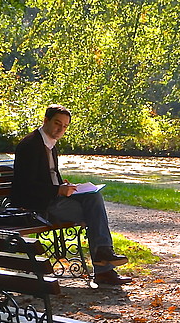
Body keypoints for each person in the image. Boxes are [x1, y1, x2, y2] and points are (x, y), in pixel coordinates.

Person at [10, 105, 132, 285]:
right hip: (37, 205)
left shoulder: (50, 144)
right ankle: (103, 266)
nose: (61, 129)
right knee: (94, 214)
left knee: (93, 197)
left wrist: (62, 185)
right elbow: (25, 186)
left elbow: (47, 176)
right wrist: (57, 190)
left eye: (65, 126)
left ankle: (103, 256)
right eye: (57, 124)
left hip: (52, 197)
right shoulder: (30, 145)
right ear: (46, 121)